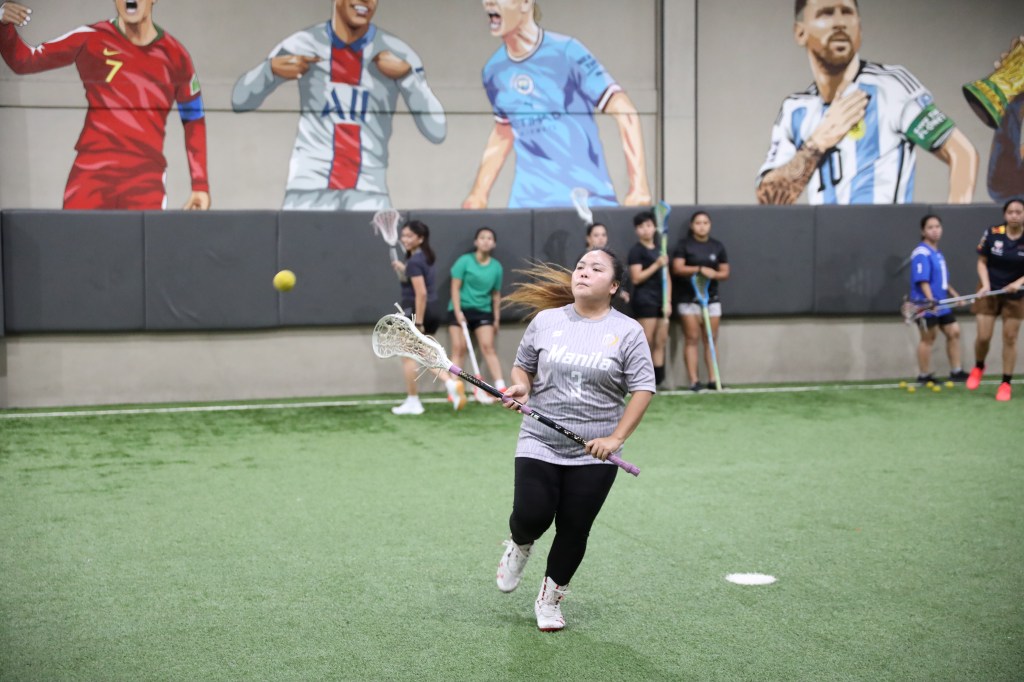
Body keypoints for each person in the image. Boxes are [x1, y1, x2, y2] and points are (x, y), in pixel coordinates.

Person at [494, 248, 655, 632]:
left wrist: (615, 438)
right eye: (580, 266)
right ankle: (519, 544)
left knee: (574, 528)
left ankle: (550, 599)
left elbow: (643, 388)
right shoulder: (547, 320)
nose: (583, 272)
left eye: (596, 269)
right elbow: (523, 367)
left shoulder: (629, 331)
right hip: (540, 438)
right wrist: (521, 387)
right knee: (532, 515)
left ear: (613, 286)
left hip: (594, 452)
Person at [756, 0, 977, 205]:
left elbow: (962, 153)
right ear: (800, 32)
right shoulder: (795, 109)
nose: (840, 23)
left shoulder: (891, 87)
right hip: (824, 235)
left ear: (859, 27)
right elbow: (770, 199)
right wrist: (817, 142)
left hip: (885, 235)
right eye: (826, 13)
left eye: (847, 13)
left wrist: (952, 229)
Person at [232, 0, 446, 210]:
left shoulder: (399, 53)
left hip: (369, 193)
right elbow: (240, 100)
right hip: (308, 191)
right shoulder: (303, 43)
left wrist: (408, 79)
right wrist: (269, 71)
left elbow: (437, 130)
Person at [0, 0, 210, 210]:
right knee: (74, 233)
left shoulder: (176, 56)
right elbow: (24, 61)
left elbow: (194, 119)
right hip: (91, 174)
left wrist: (200, 185)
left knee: (142, 234)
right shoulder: (90, 37)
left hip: (145, 181)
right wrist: (2, 23)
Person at [462, 0, 650, 209]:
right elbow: (504, 129)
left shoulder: (568, 51)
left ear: (525, 3)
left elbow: (625, 111)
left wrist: (639, 187)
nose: (488, 2)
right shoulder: (493, 70)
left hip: (587, 203)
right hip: (526, 205)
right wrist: (478, 194)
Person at [390, 220, 466, 415]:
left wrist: (418, 322)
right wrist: (403, 269)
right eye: (403, 235)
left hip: (417, 312)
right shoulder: (423, 258)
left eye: (410, 236)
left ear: (420, 238)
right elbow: (418, 282)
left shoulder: (414, 262)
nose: (404, 239)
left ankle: (413, 401)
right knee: (424, 353)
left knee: (408, 356)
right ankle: (450, 383)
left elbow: (421, 293)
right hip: (432, 310)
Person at [966, 198, 1024, 402]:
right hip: (989, 290)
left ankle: (1006, 383)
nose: (1014, 215)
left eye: (1019, 212)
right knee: (983, 337)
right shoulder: (993, 233)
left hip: (1016, 295)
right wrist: (986, 284)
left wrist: (1018, 283)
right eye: (1011, 212)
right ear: (1005, 214)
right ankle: (979, 366)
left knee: (1010, 338)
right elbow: (982, 262)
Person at [671, 211, 730, 391]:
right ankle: (694, 381)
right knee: (691, 338)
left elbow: (724, 272)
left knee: (711, 338)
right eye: (698, 223)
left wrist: (714, 274)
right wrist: (699, 269)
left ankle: (713, 379)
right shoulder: (684, 245)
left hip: (711, 299)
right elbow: (677, 268)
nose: (702, 226)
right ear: (692, 225)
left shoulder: (717, 246)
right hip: (688, 299)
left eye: (705, 223)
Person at [447, 227, 506, 398]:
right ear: (476, 242)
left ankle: (501, 386)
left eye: (489, 238)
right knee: (459, 348)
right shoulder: (464, 261)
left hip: (483, 311)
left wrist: (496, 319)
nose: (486, 241)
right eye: (482, 237)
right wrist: (458, 311)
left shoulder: (496, 267)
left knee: (488, 347)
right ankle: (453, 388)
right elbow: (455, 287)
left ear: (494, 243)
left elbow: (496, 294)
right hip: (460, 309)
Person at [910, 215, 969, 384]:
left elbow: (941, 280)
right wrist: (930, 301)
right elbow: (923, 280)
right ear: (923, 231)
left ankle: (956, 371)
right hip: (925, 304)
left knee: (954, 331)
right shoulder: (921, 253)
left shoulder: (938, 253)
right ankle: (924, 376)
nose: (935, 230)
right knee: (928, 338)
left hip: (942, 303)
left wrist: (955, 294)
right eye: (930, 227)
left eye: (937, 226)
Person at [627, 211, 669, 386]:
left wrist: (668, 301)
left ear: (654, 227)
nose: (646, 229)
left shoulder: (661, 250)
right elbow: (636, 278)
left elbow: (667, 278)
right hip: (645, 301)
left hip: (661, 301)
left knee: (661, 341)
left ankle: (659, 381)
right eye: (641, 226)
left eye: (649, 225)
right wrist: (657, 264)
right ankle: (641, 380)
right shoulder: (636, 251)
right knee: (646, 341)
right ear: (636, 230)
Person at [585, 222, 630, 311]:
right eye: (596, 235)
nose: (601, 238)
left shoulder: (610, 258)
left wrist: (620, 292)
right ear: (588, 238)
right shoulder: (584, 259)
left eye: (603, 235)